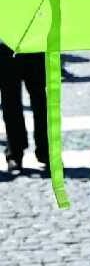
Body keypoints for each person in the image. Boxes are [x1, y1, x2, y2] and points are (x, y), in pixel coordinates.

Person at [0, 39, 47, 172]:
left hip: (34, 44)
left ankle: (45, 150)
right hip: (6, 46)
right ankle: (15, 152)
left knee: (41, 103)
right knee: (11, 104)